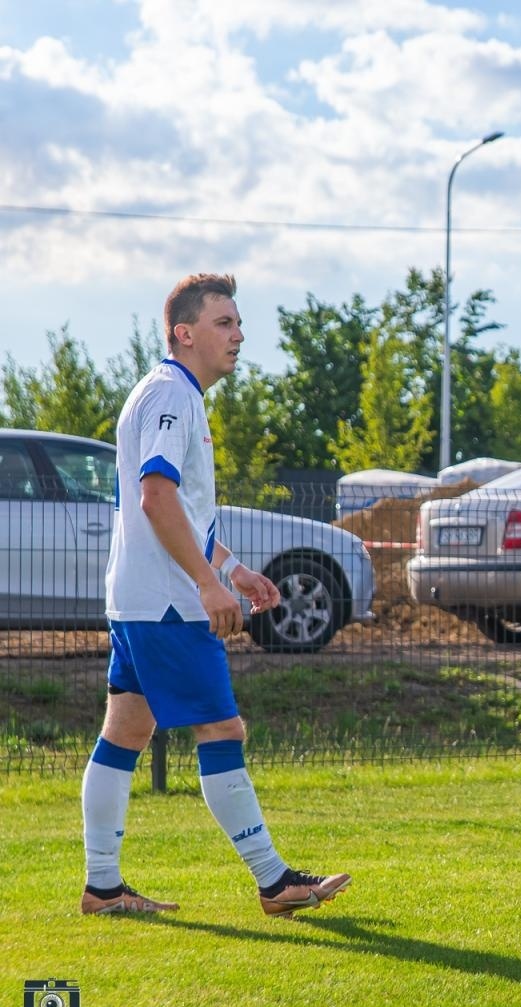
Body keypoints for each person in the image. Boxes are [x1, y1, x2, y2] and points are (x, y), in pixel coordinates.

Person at [81, 274, 349, 917]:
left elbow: (180, 511)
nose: (239, 334)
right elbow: (155, 496)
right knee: (221, 726)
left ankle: (103, 888)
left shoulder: (169, 393)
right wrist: (205, 585)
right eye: (225, 322)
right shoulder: (174, 395)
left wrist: (230, 571)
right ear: (186, 332)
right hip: (169, 605)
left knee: (125, 731)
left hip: (141, 600)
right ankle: (274, 881)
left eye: (238, 322)